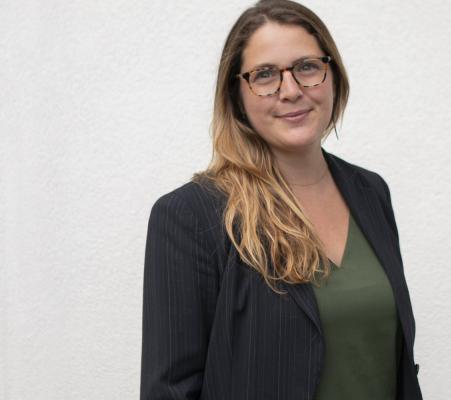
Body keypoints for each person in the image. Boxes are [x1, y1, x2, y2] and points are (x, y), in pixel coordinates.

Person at [140, 0, 422, 399]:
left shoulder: (370, 192)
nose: (290, 91)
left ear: (333, 75)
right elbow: (169, 391)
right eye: (265, 75)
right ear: (236, 95)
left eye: (307, 67)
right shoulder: (191, 216)